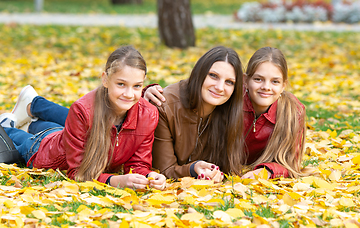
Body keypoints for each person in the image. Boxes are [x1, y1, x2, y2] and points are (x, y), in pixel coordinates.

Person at [0, 46, 166, 190]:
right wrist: (114, 180)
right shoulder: (83, 110)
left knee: (47, 132)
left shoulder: (148, 114)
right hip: (40, 150)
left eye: (137, 86)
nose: (129, 94)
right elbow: (77, 172)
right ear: (105, 79)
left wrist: (151, 176)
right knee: (9, 135)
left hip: (65, 138)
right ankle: (8, 124)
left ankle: (27, 118)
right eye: (121, 84)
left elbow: (138, 164)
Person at [144, 47, 306, 179]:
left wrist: (267, 171)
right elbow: (185, 91)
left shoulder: (291, 112)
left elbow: (291, 163)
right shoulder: (232, 100)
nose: (266, 87)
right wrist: (147, 92)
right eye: (258, 79)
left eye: (275, 81)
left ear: (284, 85)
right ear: (246, 81)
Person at [144, 46, 246, 183]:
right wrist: (192, 169)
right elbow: (164, 169)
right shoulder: (165, 106)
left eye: (229, 82)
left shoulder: (232, 109)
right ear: (200, 73)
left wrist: (215, 174)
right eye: (213, 76)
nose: (220, 87)